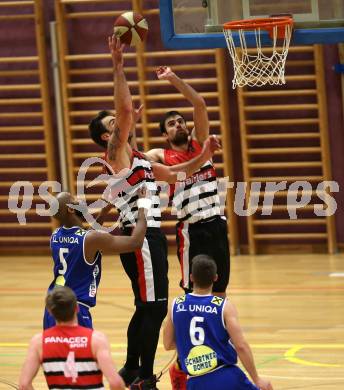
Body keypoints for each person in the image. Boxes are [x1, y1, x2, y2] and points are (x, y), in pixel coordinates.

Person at [88, 36, 220, 390]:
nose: (119, 122)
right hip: (140, 236)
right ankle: (145, 377)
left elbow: (180, 172)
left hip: (149, 236)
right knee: (155, 306)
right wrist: (117, 65)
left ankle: (133, 369)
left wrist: (205, 153)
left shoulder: (141, 158)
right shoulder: (117, 154)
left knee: (146, 306)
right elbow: (127, 112)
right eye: (112, 123)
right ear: (107, 138)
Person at [145, 66, 231, 388]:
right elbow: (144, 159)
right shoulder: (161, 155)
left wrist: (173, 79)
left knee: (218, 294)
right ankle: (179, 362)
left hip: (217, 226)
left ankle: (211, 353)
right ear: (165, 134)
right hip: (190, 231)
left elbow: (200, 105)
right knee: (187, 295)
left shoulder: (200, 143)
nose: (179, 124)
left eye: (180, 120)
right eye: (171, 123)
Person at [163, 255, 273, 390]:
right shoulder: (224, 306)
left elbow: (168, 344)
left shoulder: (176, 304)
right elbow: (241, 346)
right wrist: (257, 379)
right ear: (215, 278)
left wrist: (190, 345)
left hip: (195, 383)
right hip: (226, 377)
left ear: (191, 278)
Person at [43, 188, 148, 330]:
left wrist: (103, 213)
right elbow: (135, 242)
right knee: (83, 353)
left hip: (52, 309)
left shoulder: (55, 236)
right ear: (71, 210)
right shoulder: (90, 239)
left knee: (54, 352)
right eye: (74, 200)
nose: (80, 201)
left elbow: (86, 238)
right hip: (74, 310)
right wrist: (143, 206)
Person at [19, 286, 125, 390]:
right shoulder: (96, 340)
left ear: (50, 312)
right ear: (77, 308)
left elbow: (24, 385)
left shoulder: (39, 342)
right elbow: (116, 383)